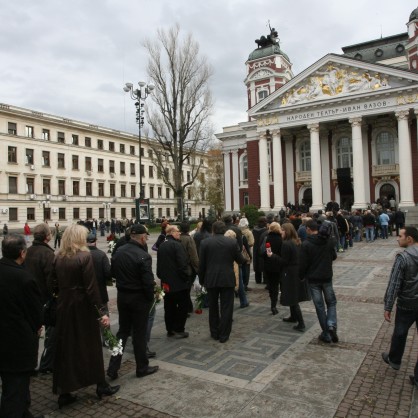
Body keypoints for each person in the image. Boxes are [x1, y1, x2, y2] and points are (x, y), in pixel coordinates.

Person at [51, 224, 119, 408]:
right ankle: (101, 385)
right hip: (82, 307)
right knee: (91, 345)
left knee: (67, 347)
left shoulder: (58, 257)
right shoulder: (84, 256)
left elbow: (54, 284)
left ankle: (64, 391)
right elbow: (91, 288)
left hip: (65, 305)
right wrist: (101, 313)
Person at [107, 224, 158, 381]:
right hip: (138, 298)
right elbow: (148, 281)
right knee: (139, 334)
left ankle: (112, 368)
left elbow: (113, 273)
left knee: (122, 332)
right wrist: (151, 298)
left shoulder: (119, 251)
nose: (147, 239)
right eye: (146, 237)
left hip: (123, 296)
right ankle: (142, 367)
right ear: (142, 237)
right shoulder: (143, 255)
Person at [0, 234, 42, 418]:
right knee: (15, 388)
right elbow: (35, 313)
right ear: (22, 253)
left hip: (4, 341)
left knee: (14, 385)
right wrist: (37, 326)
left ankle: (25, 413)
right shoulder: (24, 278)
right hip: (17, 342)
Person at [381, 227, 418, 388]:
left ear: (409, 239)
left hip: (407, 303)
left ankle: (395, 359)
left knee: (400, 332)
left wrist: (388, 306)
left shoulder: (403, 257)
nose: (397, 238)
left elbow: (394, 284)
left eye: (400, 236)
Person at [198, 221, 245, 343]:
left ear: (213, 230)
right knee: (227, 307)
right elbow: (240, 260)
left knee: (213, 307)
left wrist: (202, 280)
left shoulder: (205, 243)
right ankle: (224, 335)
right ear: (224, 230)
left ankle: (214, 332)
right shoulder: (232, 242)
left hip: (211, 278)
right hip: (227, 278)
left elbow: (201, 264)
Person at [300, 220, 338, 343]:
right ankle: (331, 325)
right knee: (331, 302)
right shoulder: (328, 241)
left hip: (313, 279)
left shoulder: (306, 244)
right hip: (327, 277)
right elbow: (334, 256)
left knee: (320, 307)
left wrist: (301, 276)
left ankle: (326, 333)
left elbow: (303, 263)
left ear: (309, 229)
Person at [25, 223, 56, 373]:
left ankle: (30, 365)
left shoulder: (27, 251)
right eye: (50, 233)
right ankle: (46, 365)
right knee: (51, 334)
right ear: (47, 236)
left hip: (29, 299)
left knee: (32, 333)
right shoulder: (48, 254)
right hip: (45, 300)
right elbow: (51, 280)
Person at [268, 223, 310, 330]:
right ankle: (293, 317)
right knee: (293, 296)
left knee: (293, 298)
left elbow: (284, 261)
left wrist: (272, 255)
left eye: (282, 230)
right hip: (296, 271)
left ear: (287, 231)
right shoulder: (297, 241)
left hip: (289, 272)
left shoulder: (286, 244)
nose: (281, 232)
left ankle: (301, 323)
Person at [157, 225, 191, 338]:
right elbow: (182, 264)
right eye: (177, 231)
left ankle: (170, 329)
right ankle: (179, 329)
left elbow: (159, 266)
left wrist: (161, 277)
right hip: (179, 283)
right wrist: (186, 277)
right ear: (171, 232)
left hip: (166, 283)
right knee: (182, 306)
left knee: (169, 307)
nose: (179, 233)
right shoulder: (177, 245)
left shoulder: (162, 245)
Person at [86, 233, 111, 345]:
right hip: (100, 291)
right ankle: (106, 339)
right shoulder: (101, 255)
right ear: (95, 241)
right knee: (103, 315)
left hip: (86, 292)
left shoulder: (81, 254)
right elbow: (108, 273)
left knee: (88, 317)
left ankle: (89, 339)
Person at [179, 221, 199, 314]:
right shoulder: (189, 239)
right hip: (188, 268)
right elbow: (193, 256)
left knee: (183, 288)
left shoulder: (177, 238)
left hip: (179, 267)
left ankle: (188, 306)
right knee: (187, 289)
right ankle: (187, 307)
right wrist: (198, 268)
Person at [263, 222, 283, 315]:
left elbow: (268, 252)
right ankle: (277, 303)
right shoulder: (281, 239)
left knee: (271, 285)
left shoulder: (268, 238)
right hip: (279, 264)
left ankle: (273, 304)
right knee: (277, 284)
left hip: (268, 265)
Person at [252, 216, 268, 284]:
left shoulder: (254, 230)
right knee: (263, 263)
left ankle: (257, 280)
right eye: (265, 221)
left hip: (255, 248)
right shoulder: (265, 231)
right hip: (262, 248)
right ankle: (265, 279)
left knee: (256, 264)